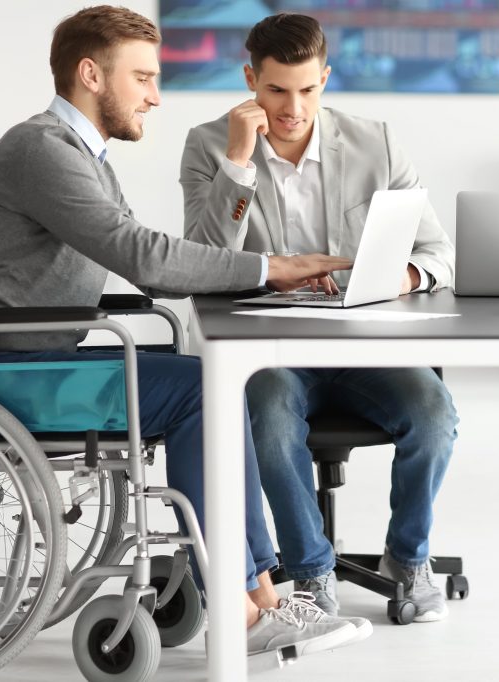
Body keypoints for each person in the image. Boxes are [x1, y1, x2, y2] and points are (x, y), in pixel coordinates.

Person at [0, 5, 366, 656]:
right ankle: (241, 608)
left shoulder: (80, 153)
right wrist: (274, 268)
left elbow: (154, 269)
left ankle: (264, 596)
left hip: (26, 361)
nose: (157, 96)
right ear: (90, 75)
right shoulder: (43, 148)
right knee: (201, 389)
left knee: (209, 381)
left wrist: (271, 272)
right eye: (143, 78)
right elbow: (146, 257)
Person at [180, 13, 459, 623]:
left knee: (435, 415)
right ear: (251, 79)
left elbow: (438, 253)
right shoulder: (210, 145)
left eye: (307, 90)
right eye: (276, 89)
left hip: (364, 345)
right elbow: (201, 261)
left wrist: (396, 278)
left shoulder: (375, 142)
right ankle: (310, 574)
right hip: (272, 347)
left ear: (326, 79)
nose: (292, 108)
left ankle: (408, 557)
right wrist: (237, 161)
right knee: (274, 422)